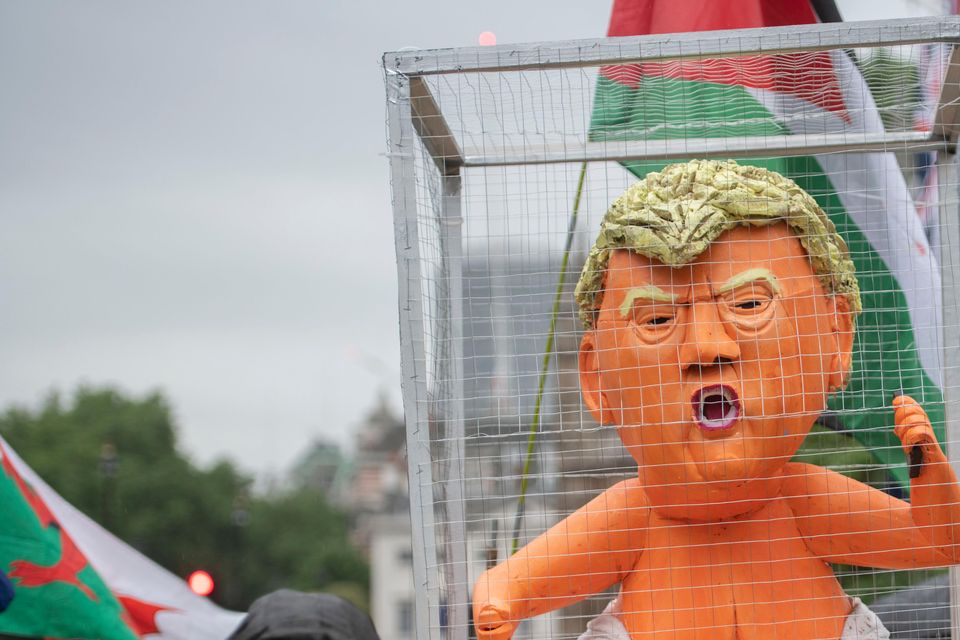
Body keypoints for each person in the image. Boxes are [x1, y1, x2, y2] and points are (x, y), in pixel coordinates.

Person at [472, 159, 960, 640]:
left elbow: (938, 538)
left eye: (748, 305)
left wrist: (929, 473)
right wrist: (501, 596)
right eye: (658, 320)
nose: (706, 347)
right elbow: (513, 583)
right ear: (595, 377)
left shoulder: (800, 499)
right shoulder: (633, 515)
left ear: (836, 337)